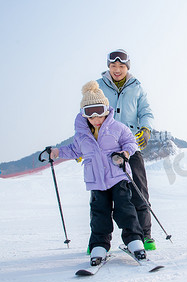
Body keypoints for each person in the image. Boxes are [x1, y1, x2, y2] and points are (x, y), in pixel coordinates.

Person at [50, 81, 146, 265]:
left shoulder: (117, 127)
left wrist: (125, 153)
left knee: (125, 209)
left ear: (106, 109)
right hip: (96, 181)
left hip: (118, 177)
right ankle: (99, 246)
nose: (95, 118)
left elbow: (131, 143)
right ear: (83, 114)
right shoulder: (82, 135)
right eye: (89, 113)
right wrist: (57, 152)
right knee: (99, 213)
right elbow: (74, 150)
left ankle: (134, 241)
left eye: (99, 112)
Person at [96, 49, 155, 251]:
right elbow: (88, 114)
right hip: (105, 149)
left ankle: (145, 235)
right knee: (103, 195)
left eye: (121, 66)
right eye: (113, 66)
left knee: (139, 191)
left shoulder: (136, 87)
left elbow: (145, 111)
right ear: (108, 67)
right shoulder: (98, 87)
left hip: (131, 145)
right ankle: (100, 241)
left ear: (127, 67)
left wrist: (146, 128)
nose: (117, 70)